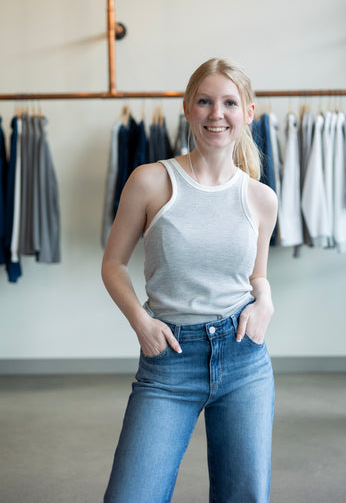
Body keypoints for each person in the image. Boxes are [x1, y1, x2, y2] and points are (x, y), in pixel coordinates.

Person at [102, 58, 278, 503]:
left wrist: (266, 302)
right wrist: (141, 323)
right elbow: (113, 264)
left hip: (244, 361)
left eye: (228, 103)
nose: (216, 114)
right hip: (170, 362)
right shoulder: (151, 181)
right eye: (204, 102)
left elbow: (257, 275)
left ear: (248, 113)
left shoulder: (260, 198)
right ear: (187, 108)